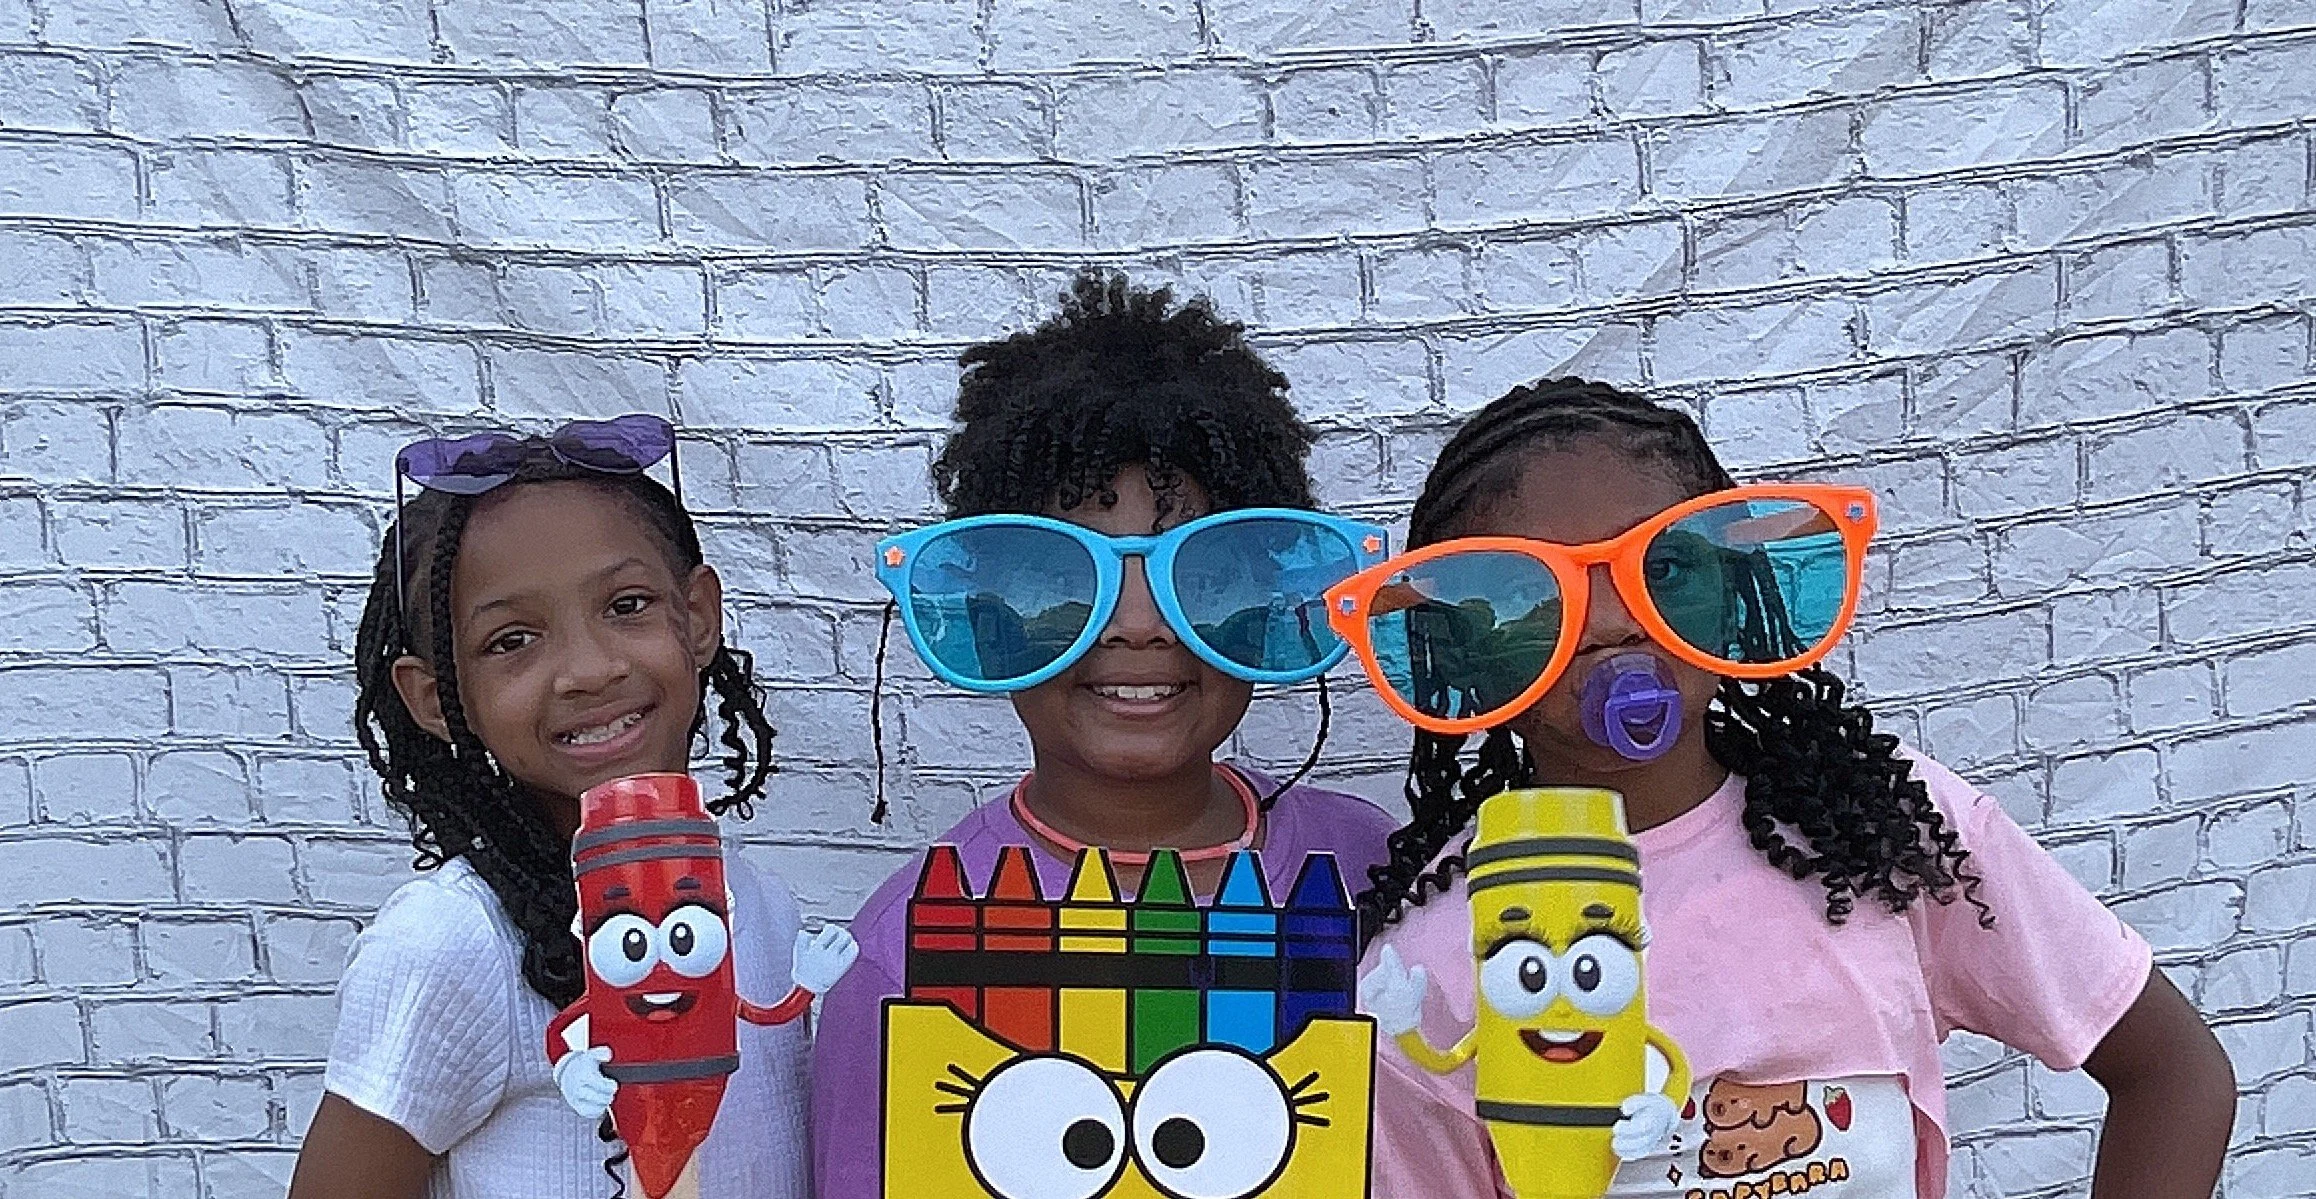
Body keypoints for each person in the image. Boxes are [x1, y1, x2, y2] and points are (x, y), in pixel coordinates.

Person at [1342, 379, 2234, 1199]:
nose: (1611, 623)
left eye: (1664, 568)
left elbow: (2174, 1073)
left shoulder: (1888, 833)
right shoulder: (1429, 970)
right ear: (1457, 653)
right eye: (1530, 597)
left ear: (1734, 594)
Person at [811, 271, 1402, 1199]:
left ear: (1264, 599)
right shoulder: (905, 946)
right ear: (987, 609)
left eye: (1199, 572)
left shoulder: (1381, 871)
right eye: (1063, 578)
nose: (1138, 622)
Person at [289, 415, 850, 1199]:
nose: (588, 670)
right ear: (435, 698)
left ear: (698, 618)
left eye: (626, 605)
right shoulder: (451, 942)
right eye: (511, 639)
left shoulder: (764, 908)